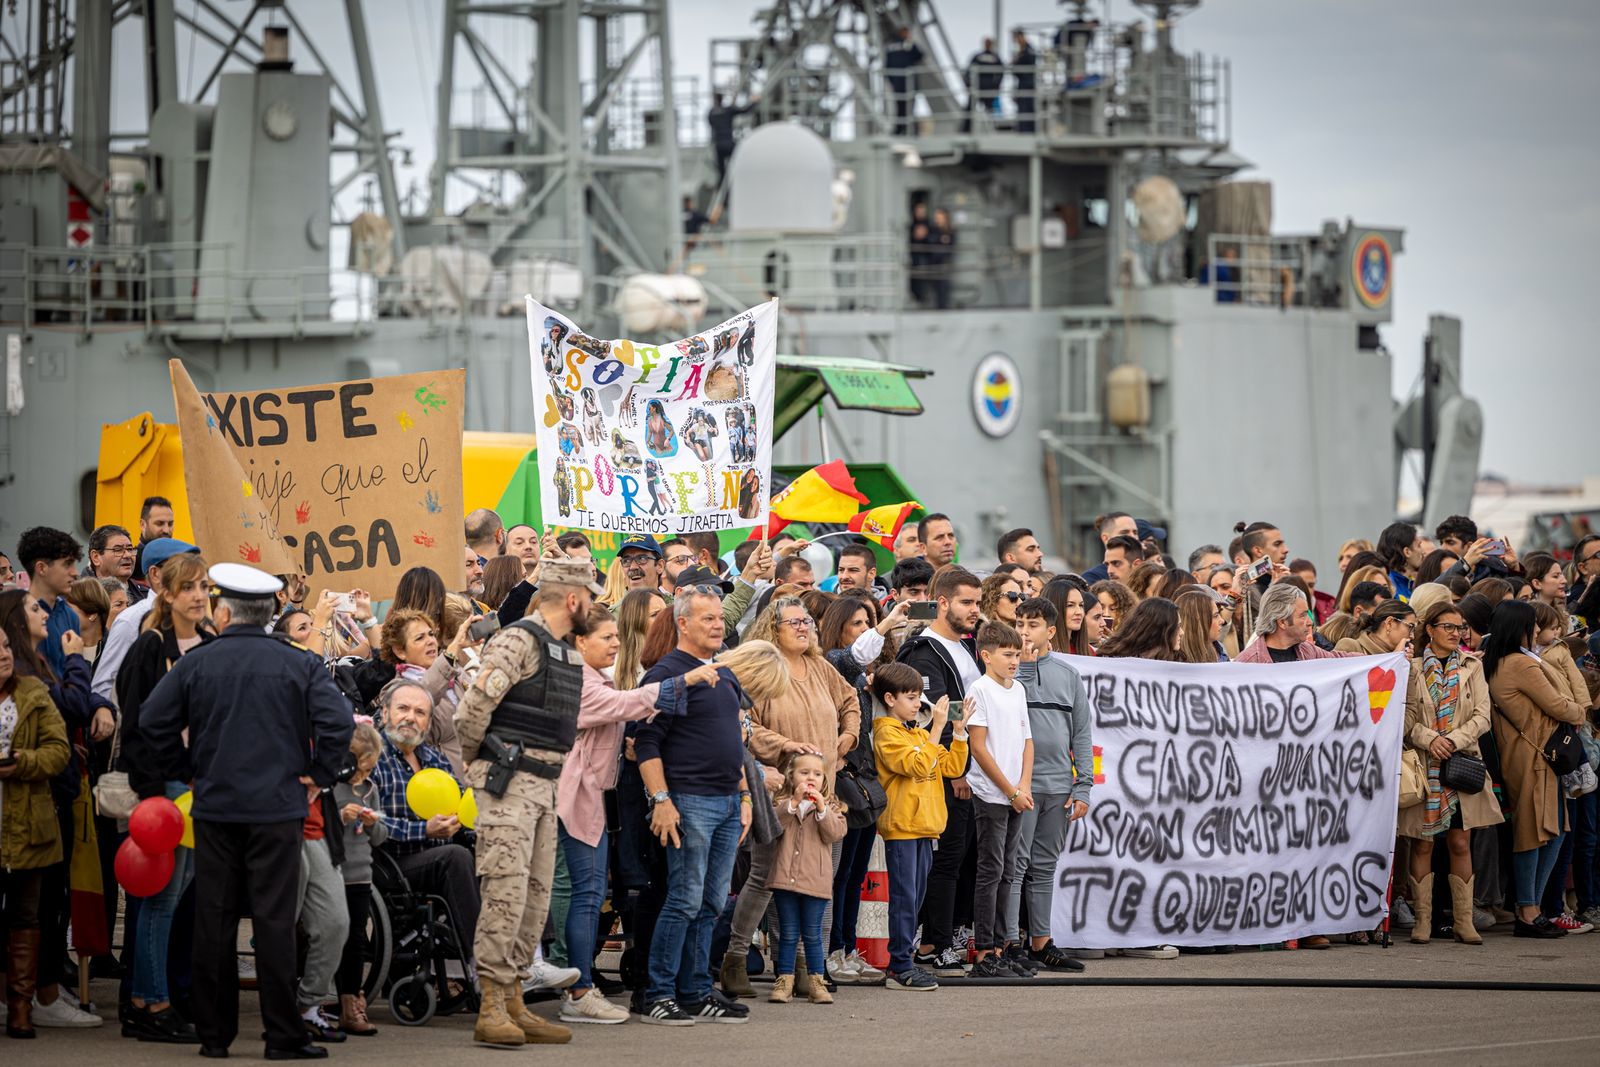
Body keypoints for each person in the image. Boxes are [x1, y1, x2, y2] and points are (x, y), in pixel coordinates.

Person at [138, 563, 353, 1061]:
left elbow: (153, 719)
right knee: (275, 921)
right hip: (277, 808)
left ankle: (215, 1037)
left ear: (225, 610)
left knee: (213, 920)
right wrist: (318, 775)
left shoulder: (199, 662)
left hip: (215, 805)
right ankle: (283, 1036)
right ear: (268, 612)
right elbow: (337, 721)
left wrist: (187, 768)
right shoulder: (297, 662)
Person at [453, 557, 604, 1047]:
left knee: (535, 899)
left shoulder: (565, 653)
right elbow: (471, 713)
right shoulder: (518, 639)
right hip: (509, 784)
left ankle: (515, 996)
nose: (596, 606)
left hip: (546, 788)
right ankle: (492, 1004)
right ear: (574, 599)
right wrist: (486, 765)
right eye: (593, 598)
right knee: (504, 893)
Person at [559, 604, 707, 1024]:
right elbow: (628, 702)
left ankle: (579, 984)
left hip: (595, 801)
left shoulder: (597, 677)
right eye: (606, 637)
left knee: (590, 896)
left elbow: (623, 709)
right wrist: (686, 680)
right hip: (578, 801)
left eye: (615, 637)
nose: (616, 644)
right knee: (587, 897)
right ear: (579, 642)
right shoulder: (580, 681)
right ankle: (579, 990)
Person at [721, 597, 860, 997]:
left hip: (823, 798)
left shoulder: (820, 667)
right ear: (772, 627)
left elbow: (851, 701)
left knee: (819, 882)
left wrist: (846, 737)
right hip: (780, 796)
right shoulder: (763, 668)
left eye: (807, 622)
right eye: (793, 622)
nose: (804, 628)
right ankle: (735, 958)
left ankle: (806, 968)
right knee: (766, 879)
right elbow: (745, 726)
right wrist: (787, 746)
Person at [633, 586, 755, 1025]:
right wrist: (661, 800)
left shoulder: (724, 672)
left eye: (720, 617)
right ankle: (658, 993)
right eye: (707, 618)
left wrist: (743, 796)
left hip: (725, 803)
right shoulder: (666, 675)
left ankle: (696, 990)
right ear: (682, 623)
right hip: (688, 801)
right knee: (683, 900)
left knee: (711, 903)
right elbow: (644, 743)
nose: (718, 624)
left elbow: (736, 741)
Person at [110, 552, 214, 1043]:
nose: (198, 596)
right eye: (189, 587)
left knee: (183, 895)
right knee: (160, 898)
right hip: (166, 790)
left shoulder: (212, 643)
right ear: (167, 594)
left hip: (201, 789)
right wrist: (154, 794)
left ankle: (160, 996)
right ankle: (147, 1003)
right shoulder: (150, 647)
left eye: (203, 587)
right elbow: (135, 725)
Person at [1482, 600, 1589, 938]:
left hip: (1526, 755)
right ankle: (1529, 910)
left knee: (1550, 830)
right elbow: (1559, 705)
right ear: (1520, 628)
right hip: (1535, 758)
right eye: (1532, 626)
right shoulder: (1520, 664)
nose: (1536, 632)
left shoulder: (1497, 660)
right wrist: (1579, 711)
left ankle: (1532, 907)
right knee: (1537, 832)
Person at [369, 680, 486, 979]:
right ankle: (481, 968)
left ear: (428, 722)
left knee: (506, 853)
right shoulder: (371, 756)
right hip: (390, 861)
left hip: (434, 855)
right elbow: (368, 820)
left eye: (420, 712)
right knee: (456, 857)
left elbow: (460, 803)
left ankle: (534, 956)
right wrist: (424, 830)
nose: (410, 717)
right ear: (384, 714)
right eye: (403, 709)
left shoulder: (432, 758)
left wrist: (468, 826)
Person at [896, 569, 982, 977]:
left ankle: (951, 938)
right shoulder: (924, 651)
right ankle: (933, 944)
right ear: (942, 602)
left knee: (965, 859)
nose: (975, 611)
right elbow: (933, 717)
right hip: (945, 773)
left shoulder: (968, 648)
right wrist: (957, 772)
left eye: (978, 603)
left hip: (973, 768)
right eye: (967, 603)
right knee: (945, 860)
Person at [1399, 600, 1499, 946]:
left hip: (1460, 764)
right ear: (1430, 630)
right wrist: (1431, 739)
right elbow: (1406, 720)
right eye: (1449, 627)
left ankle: (1463, 921)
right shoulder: (1410, 668)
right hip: (1425, 766)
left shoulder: (1473, 666)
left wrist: (1452, 740)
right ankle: (1423, 920)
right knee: (1422, 843)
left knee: (1460, 841)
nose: (1457, 634)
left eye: (1461, 628)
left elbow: (1483, 717)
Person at [869, 664, 966, 991]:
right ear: (889, 698)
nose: (917, 703)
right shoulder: (886, 733)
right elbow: (917, 764)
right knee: (905, 899)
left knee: (915, 898)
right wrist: (937, 729)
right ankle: (899, 966)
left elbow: (951, 765)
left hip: (925, 828)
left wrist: (960, 732)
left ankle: (904, 961)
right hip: (902, 828)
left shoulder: (918, 733)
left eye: (918, 697)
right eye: (910, 697)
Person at [1009, 601, 1092, 970]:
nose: (1025, 632)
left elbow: (1082, 734)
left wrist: (1083, 786)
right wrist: (1024, 667)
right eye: (1020, 624)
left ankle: (1041, 941)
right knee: (1014, 865)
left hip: (1058, 786)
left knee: (1044, 866)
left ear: (1051, 632)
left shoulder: (1069, 675)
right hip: (1019, 786)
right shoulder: (1007, 671)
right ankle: (1010, 943)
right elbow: (1011, 704)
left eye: (1033, 625)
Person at [0, 627, 71, 1040]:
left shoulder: (33, 692)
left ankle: (21, 1009)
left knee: (27, 915)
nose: (5, 655)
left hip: (29, 823)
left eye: (7, 647)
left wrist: (22, 762)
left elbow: (58, 751)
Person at [961, 622, 1033, 978]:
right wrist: (1010, 790)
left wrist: (1024, 785)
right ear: (986, 655)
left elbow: (1027, 741)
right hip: (991, 794)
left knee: (1009, 870)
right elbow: (978, 746)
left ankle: (1003, 946)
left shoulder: (1017, 689)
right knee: (990, 871)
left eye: (1017, 654)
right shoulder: (980, 688)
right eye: (1007, 654)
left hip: (1015, 793)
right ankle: (984, 950)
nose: (1014, 661)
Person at [765, 752, 848, 1005]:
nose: (810, 778)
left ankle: (816, 981)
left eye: (817, 774)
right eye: (804, 773)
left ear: (825, 780)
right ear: (791, 777)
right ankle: (785, 980)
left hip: (815, 882)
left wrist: (821, 807)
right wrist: (793, 803)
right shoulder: (781, 803)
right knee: (788, 933)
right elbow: (772, 827)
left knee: (812, 933)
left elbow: (835, 833)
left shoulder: (831, 808)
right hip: (785, 879)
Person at [91, 538, 200, 705]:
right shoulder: (131, 620)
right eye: (180, 568)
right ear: (155, 574)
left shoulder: (196, 617)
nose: (190, 575)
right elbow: (103, 686)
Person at [332, 722, 387, 1037]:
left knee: (356, 938)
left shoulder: (370, 790)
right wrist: (342, 817)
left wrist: (369, 823)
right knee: (332, 933)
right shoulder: (333, 788)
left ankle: (351, 1001)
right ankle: (326, 996)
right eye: (358, 770)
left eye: (368, 770)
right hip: (336, 871)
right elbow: (323, 829)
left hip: (361, 875)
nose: (362, 777)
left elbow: (379, 837)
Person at [377, 608, 471, 777]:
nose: (431, 641)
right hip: (440, 784)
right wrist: (450, 655)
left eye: (431, 634)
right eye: (420, 638)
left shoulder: (453, 670)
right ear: (400, 651)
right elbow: (422, 696)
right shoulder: (394, 689)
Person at [15, 527, 83, 675]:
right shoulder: (16, 617)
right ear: (41, 568)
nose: (75, 573)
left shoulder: (71, 615)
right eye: (67, 564)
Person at [1097, 597, 1183, 661]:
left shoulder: (1176, 662)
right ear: (1159, 630)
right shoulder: (1110, 660)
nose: (1182, 632)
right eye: (1177, 626)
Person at [130, 497, 177, 601]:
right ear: (143, 525)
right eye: (159, 523)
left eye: (170, 524)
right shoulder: (130, 563)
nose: (166, 530)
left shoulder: (179, 559)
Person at [708, 92, 756, 190]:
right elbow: (745, 110)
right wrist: (754, 102)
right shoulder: (728, 110)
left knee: (722, 172)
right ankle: (738, 182)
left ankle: (721, 188)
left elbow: (711, 124)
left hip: (718, 145)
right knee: (736, 163)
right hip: (729, 144)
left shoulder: (711, 113)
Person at [1079, 513, 1138, 584]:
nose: (1133, 536)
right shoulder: (1092, 578)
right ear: (1106, 538)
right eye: (1124, 532)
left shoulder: (1145, 569)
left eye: (1135, 532)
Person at [885, 27, 923, 135]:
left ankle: (901, 130)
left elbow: (887, 66)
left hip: (900, 83)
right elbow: (919, 56)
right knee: (906, 107)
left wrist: (891, 82)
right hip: (905, 83)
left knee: (903, 107)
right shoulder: (907, 46)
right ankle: (907, 130)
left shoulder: (891, 47)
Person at [1176, 587, 1229, 663]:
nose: (1222, 621)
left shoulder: (1219, 650)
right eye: (1216, 615)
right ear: (1197, 621)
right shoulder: (1175, 662)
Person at [1377, 521, 1425, 603]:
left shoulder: (1412, 583)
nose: (1423, 551)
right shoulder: (1388, 586)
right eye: (1419, 545)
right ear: (1407, 552)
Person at [964, 37, 1004, 128]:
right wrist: (968, 84)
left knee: (989, 111)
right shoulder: (983, 56)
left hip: (987, 87)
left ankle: (993, 129)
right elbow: (968, 71)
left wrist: (996, 85)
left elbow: (1001, 72)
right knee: (970, 110)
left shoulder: (993, 57)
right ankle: (966, 130)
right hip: (979, 87)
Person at [1011, 30, 1037, 133]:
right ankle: (1023, 129)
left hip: (1027, 83)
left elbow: (1023, 65)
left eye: (1017, 38)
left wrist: (1015, 63)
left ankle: (1026, 130)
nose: (1016, 41)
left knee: (1026, 107)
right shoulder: (1025, 50)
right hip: (1024, 83)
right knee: (1023, 107)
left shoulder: (1028, 51)